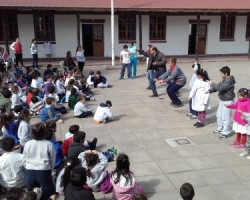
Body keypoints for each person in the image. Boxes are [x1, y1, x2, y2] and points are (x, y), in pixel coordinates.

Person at [22, 123, 56, 200]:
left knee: (30, 192)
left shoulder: (28, 144)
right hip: (44, 171)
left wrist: (27, 166)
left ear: (32, 133)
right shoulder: (48, 144)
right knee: (48, 190)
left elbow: (24, 158)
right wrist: (50, 168)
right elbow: (52, 159)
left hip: (30, 170)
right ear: (44, 133)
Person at [209, 66, 236, 139]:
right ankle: (220, 128)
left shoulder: (229, 81)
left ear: (226, 73)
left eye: (221, 73)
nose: (220, 74)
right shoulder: (224, 79)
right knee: (219, 115)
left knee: (226, 117)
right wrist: (210, 91)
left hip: (228, 101)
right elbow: (218, 86)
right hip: (222, 99)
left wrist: (212, 83)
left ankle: (226, 132)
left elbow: (220, 88)